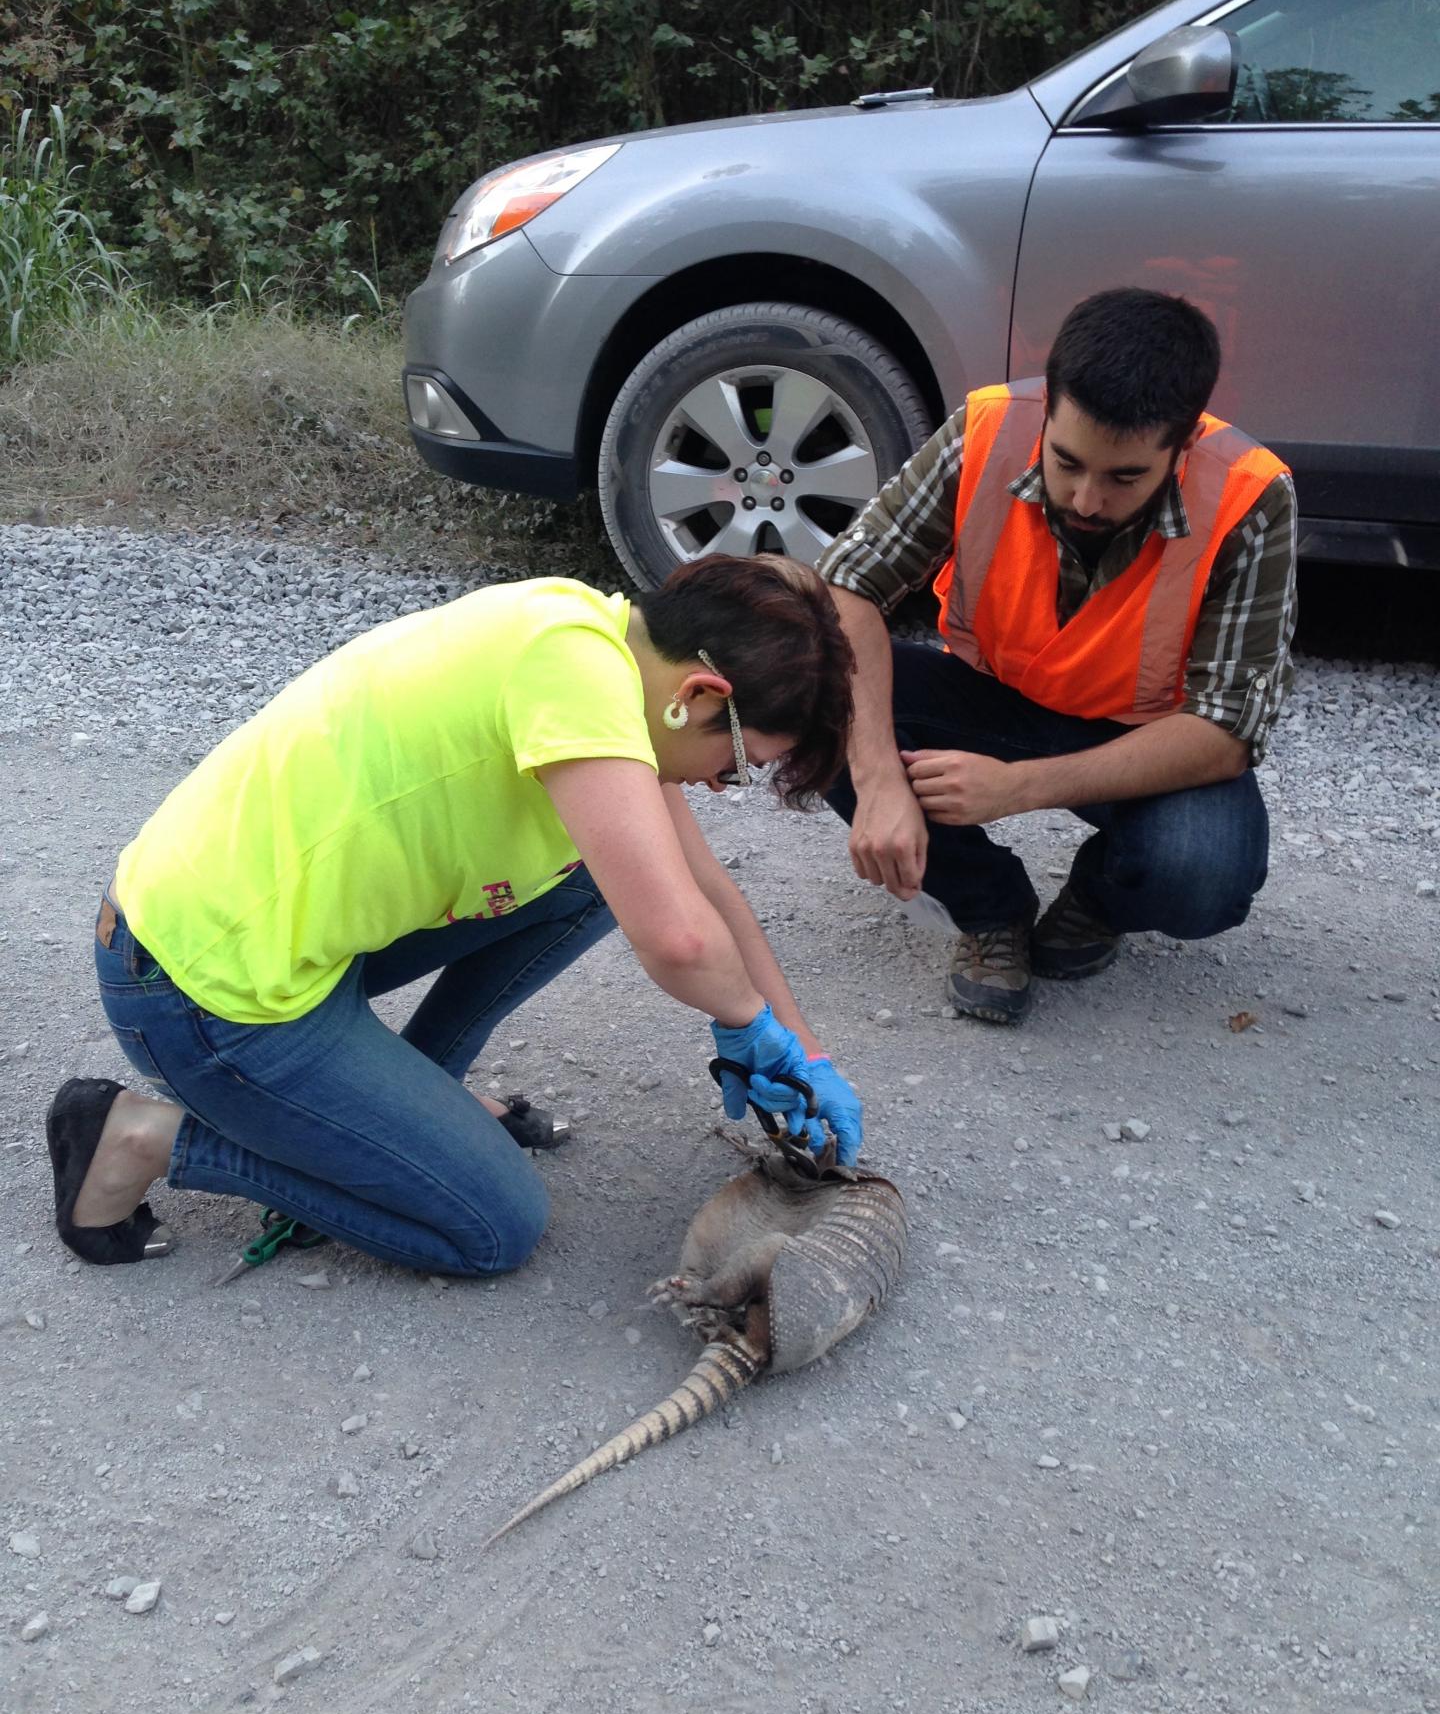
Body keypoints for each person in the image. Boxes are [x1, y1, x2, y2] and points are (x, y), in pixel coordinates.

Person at [47, 554, 863, 1272]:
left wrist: (804, 1051)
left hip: (284, 942)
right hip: (202, 990)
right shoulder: (571, 676)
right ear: (700, 693)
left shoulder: (595, 640)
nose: (718, 785)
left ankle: (419, 1099)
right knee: (492, 1229)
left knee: (592, 881)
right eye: (740, 764)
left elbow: (706, 890)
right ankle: (140, 1136)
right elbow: (680, 940)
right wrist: (748, 1021)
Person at [818, 287, 1297, 1025]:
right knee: (806, 696)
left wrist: (1018, 787)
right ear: (1047, 408)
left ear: (1183, 445)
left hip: (1139, 738)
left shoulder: (1251, 496)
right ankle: (990, 908)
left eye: (1124, 477)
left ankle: (1100, 898)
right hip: (989, 696)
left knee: (1203, 873)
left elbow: (1228, 729)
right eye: (1067, 461)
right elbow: (847, 585)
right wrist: (879, 777)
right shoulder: (985, 430)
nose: (1086, 497)